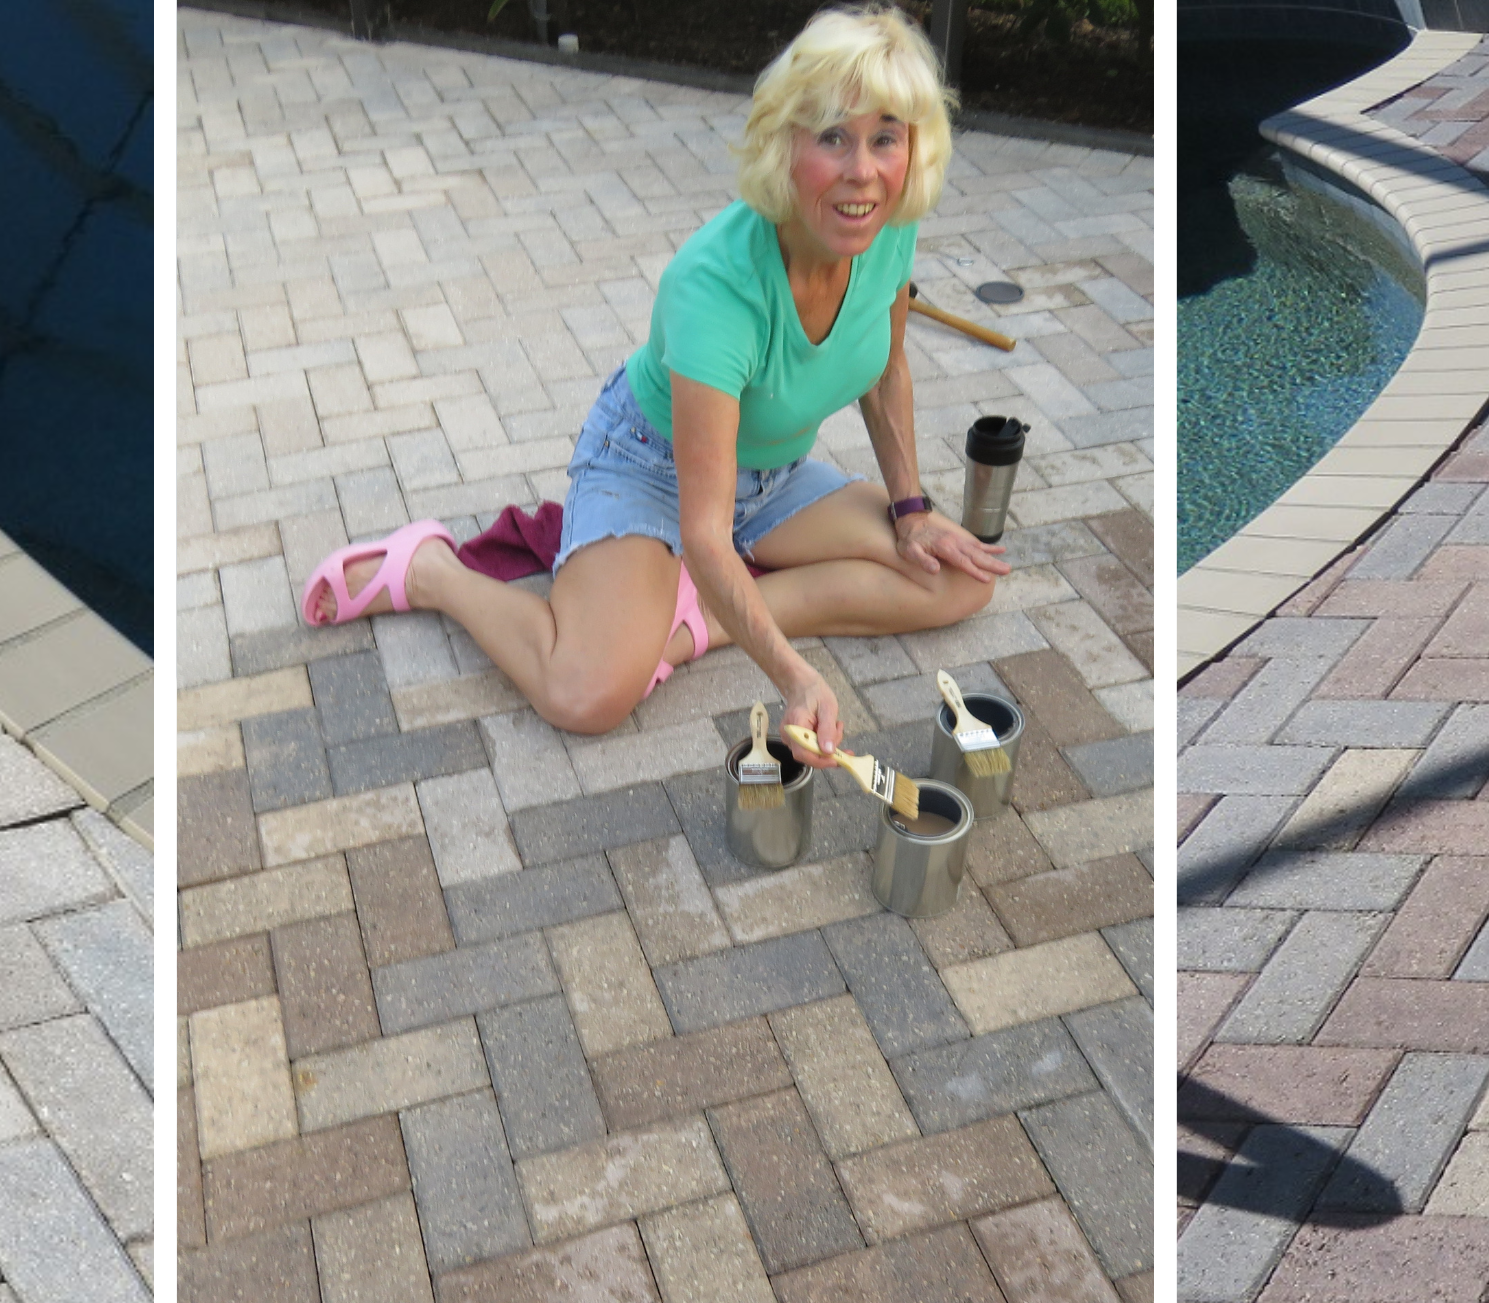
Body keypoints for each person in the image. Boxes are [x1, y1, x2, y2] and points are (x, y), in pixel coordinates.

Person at [298, 3, 1008, 761]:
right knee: (586, 695)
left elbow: (886, 368)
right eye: (833, 136)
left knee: (960, 578)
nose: (862, 171)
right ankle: (432, 570)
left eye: (885, 138)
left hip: (770, 478)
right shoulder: (716, 287)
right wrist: (795, 676)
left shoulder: (889, 229)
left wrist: (911, 509)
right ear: (786, 144)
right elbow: (704, 530)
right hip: (652, 468)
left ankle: (693, 623)